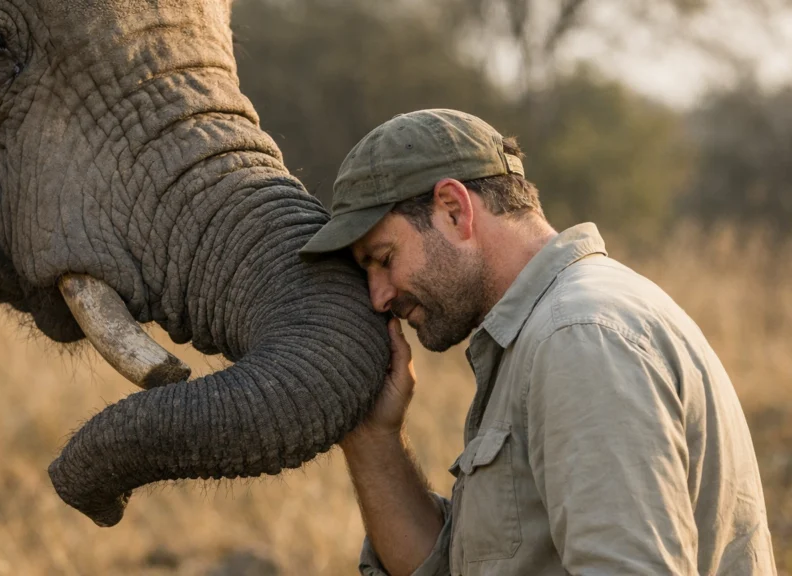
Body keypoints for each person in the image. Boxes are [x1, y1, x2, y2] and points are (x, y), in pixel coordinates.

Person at [299, 109, 776, 575]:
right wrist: (374, 438)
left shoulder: (580, 339)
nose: (379, 297)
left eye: (383, 258)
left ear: (453, 209)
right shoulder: (547, 335)